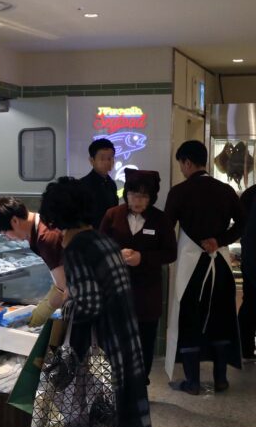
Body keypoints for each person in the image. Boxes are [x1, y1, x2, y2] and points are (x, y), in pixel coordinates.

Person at [39, 177, 152, 427]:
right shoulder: (104, 241)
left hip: (93, 357)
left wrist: (65, 309)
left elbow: (87, 305)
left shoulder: (78, 249)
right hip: (120, 347)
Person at [164, 140, 244, 394]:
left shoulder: (179, 192)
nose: (182, 169)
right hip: (220, 265)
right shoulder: (225, 190)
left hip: (191, 267)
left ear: (187, 162)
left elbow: (166, 228)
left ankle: (193, 382)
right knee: (221, 319)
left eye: (181, 164)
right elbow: (242, 223)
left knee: (190, 319)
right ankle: (221, 379)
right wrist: (219, 241)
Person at [100, 169, 177, 384]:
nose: (137, 200)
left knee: (145, 340)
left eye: (144, 196)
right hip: (116, 291)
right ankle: (115, 384)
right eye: (134, 194)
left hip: (147, 293)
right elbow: (98, 247)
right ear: (127, 193)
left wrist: (143, 257)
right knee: (115, 339)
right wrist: (117, 254)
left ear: (152, 197)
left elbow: (171, 253)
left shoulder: (161, 220)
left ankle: (140, 383)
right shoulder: (112, 215)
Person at [0, 197, 66, 326]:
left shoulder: (46, 237)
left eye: (5, 233)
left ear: (15, 221)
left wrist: (41, 314)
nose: (8, 239)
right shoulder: (38, 229)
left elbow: (62, 288)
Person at [80, 138, 118, 228]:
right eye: (102, 159)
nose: (107, 162)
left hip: (109, 232)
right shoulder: (82, 185)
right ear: (92, 161)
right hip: (91, 233)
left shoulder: (112, 184)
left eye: (110, 158)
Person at [239, 184, 256, 360]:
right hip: (251, 258)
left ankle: (246, 348)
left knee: (250, 303)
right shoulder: (250, 194)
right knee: (250, 303)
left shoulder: (250, 194)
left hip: (250, 258)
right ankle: (246, 348)